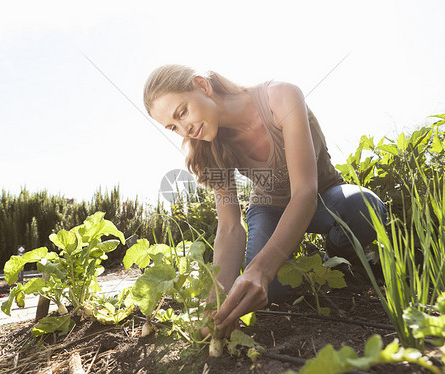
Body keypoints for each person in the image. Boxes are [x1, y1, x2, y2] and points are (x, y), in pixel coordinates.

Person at [143, 64, 387, 338]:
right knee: (264, 290)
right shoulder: (209, 145)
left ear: (202, 85)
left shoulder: (281, 97)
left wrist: (261, 268)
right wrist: (216, 304)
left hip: (323, 197)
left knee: (364, 208)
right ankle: (307, 267)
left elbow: (305, 192)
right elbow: (230, 228)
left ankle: (338, 263)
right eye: (173, 127)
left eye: (183, 112)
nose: (184, 129)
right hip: (269, 208)